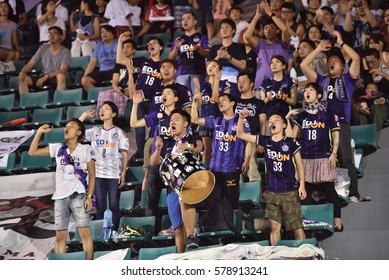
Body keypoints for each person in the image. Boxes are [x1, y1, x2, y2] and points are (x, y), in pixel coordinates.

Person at [300, 31, 361, 203]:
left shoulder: (348, 79)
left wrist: (341, 43)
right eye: (329, 61)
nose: (331, 62)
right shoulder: (321, 81)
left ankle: (354, 193)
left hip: (341, 123)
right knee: (325, 160)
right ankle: (330, 194)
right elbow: (304, 65)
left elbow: (356, 59)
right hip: (322, 125)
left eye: (336, 61)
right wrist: (319, 48)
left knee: (345, 158)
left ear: (343, 66)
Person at [236, 109, 306, 246]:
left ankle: (306, 254)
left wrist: (302, 184)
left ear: (284, 125)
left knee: (296, 227)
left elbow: (299, 165)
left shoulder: (291, 142)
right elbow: (240, 134)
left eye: (277, 120)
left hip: (289, 191)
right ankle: (276, 255)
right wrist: (240, 119)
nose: (272, 122)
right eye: (271, 121)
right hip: (271, 192)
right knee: (274, 228)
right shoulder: (265, 140)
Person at [28, 119, 96, 260]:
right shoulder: (58, 148)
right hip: (60, 197)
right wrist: (39, 132)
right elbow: (32, 152)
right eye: (66, 126)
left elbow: (92, 175)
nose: (67, 128)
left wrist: (90, 197)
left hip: (79, 195)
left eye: (72, 126)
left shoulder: (86, 149)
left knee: (84, 231)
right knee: (60, 236)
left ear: (79, 133)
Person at [287, 82, 343, 232]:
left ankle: (337, 221)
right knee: (304, 195)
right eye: (305, 90)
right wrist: (287, 120)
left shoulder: (327, 113)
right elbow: (292, 138)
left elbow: (336, 134)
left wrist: (334, 153)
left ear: (319, 95)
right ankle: (305, 224)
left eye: (311, 90)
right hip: (305, 159)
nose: (307, 92)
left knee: (330, 191)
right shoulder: (301, 116)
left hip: (323, 157)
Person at [150, 109, 203, 252]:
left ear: (186, 124)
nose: (172, 122)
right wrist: (158, 149)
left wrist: (188, 146)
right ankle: (180, 256)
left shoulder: (192, 136)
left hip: (191, 184)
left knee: (184, 199)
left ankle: (191, 236)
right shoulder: (166, 140)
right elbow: (153, 162)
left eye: (176, 119)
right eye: (171, 120)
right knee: (178, 229)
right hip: (172, 188)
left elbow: (200, 148)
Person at [191, 92, 250, 210]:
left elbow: (248, 141)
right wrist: (195, 102)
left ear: (232, 103)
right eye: (219, 101)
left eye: (224, 99)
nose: (220, 102)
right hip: (214, 170)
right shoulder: (216, 121)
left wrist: (247, 159)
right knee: (213, 204)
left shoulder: (240, 121)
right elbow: (194, 119)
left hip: (232, 169)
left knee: (232, 204)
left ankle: (234, 226)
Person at [79, 101, 129, 231]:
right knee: (100, 206)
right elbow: (76, 130)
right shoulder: (95, 131)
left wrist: (123, 173)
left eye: (106, 109)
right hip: (98, 174)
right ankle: (100, 233)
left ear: (113, 114)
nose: (102, 110)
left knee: (113, 204)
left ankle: (114, 232)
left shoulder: (119, 132)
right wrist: (84, 115)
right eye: (101, 108)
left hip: (113, 174)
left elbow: (124, 154)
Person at [130, 84, 179, 217]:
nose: (164, 95)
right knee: (152, 202)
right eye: (163, 93)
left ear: (175, 99)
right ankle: (152, 229)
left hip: (174, 164)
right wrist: (135, 104)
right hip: (157, 162)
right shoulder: (157, 115)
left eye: (168, 93)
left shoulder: (180, 116)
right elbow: (134, 124)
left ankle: (173, 228)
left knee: (174, 200)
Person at [244, 2, 290, 90]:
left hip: (279, 86)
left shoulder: (283, 43)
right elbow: (247, 36)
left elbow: (284, 29)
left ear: (277, 30)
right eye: (266, 28)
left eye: (271, 27)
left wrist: (270, 13)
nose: (268, 30)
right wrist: (257, 16)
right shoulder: (260, 44)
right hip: (260, 85)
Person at [194, 59, 230, 168]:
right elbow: (199, 105)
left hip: (219, 121)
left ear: (219, 70)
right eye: (209, 66)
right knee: (207, 151)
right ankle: (207, 174)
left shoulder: (225, 84)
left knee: (219, 150)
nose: (210, 67)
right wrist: (197, 92)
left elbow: (215, 99)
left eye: (214, 65)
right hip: (205, 120)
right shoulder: (203, 85)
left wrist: (217, 80)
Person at [18, 26, 70, 94]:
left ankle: (59, 101)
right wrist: (22, 72)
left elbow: (63, 70)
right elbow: (30, 64)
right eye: (49, 34)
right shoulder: (43, 48)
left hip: (55, 77)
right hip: (44, 75)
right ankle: (26, 102)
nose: (51, 35)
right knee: (23, 79)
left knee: (61, 76)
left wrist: (47, 76)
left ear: (60, 36)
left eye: (55, 33)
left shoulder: (65, 51)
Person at [169, 11, 210, 95]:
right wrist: (176, 47)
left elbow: (208, 54)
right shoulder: (179, 39)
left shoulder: (201, 37)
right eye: (183, 19)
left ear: (195, 22)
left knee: (197, 99)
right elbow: (170, 58)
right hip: (182, 73)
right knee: (183, 101)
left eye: (188, 18)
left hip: (198, 72)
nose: (185, 21)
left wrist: (198, 49)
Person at [235, 72, 266, 182]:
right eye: (239, 82)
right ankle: (236, 193)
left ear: (252, 83)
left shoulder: (259, 103)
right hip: (234, 138)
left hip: (251, 137)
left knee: (252, 165)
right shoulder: (233, 102)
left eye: (244, 81)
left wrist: (261, 142)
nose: (241, 84)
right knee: (234, 168)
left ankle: (255, 193)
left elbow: (262, 123)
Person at [209, 18, 246, 96]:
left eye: (227, 27)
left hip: (234, 84)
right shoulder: (214, 48)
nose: (224, 29)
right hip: (216, 84)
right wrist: (218, 57)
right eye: (222, 28)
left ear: (233, 31)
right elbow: (208, 69)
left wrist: (228, 57)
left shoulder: (239, 47)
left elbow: (243, 66)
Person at [81, 24, 118, 93]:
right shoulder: (99, 45)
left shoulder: (118, 43)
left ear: (113, 34)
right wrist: (85, 75)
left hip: (115, 69)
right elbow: (93, 62)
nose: (104, 34)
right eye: (102, 32)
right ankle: (99, 97)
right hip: (102, 72)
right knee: (85, 80)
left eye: (107, 31)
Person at [0, 1, 20, 71]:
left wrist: (18, 48)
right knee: (11, 53)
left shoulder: (13, 24)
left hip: (8, 48)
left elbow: (14, 40)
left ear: (9, 10)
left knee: (17, 54)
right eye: (1, 7)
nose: (3, 9)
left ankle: (7, 71)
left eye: (5, 7)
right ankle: (4, 69)